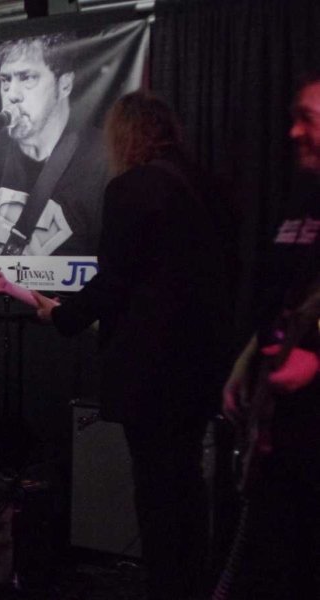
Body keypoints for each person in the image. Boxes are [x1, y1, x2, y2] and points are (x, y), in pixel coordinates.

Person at [33, 92, 232, 600]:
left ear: (124, 136)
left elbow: (115, 280)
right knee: (188, 486)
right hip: (202, 365)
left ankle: (167, 588)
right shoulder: (205, 185)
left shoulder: (132, 188)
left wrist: (63, 316)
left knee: (157, 493)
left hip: (151, 373)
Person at [219, 74, 320, 599]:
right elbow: (286, 297)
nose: (294, 132)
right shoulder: (304, 195)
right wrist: (248, 359)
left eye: (309, 119)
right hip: (283, 432)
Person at [0, 32, 109, 257]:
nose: (12, 94)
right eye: (5, 80)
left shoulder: (103, 159)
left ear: (64, 85)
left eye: (27, 78)